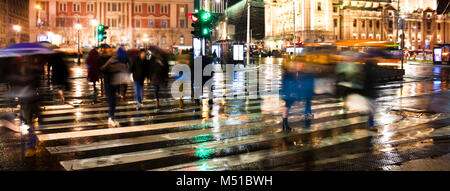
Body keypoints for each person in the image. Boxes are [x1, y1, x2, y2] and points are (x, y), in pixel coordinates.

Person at [280, 61, 315, 131]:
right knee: (287, 107)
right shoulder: (289, 74)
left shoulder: (289, 73)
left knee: (287, 107)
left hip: (288, 92)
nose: (300, 65)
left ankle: (285, 124)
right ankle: (285, 124)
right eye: (299, 64)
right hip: (289, 92)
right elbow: (290, 83)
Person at [100, 47, 130, 127]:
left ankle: (112, 118)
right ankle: (110, 118)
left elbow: (115, 69)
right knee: (112, 102)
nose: (112, 52)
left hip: (114, 82)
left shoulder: (114, 59)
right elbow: (102, 69)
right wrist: (110, 62)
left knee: (114, 102)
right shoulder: (103, 58)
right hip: (108, 82)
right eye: (110, 50)